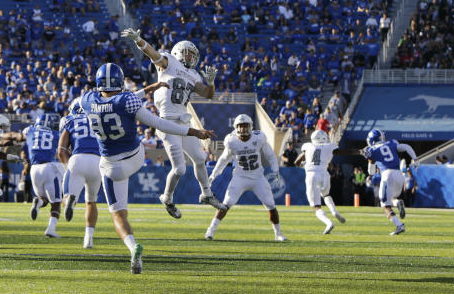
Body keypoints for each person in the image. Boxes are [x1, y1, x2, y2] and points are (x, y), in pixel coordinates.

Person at [76, 63, 215, 274]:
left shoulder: (87, 100)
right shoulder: (127, 100)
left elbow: (108, 103)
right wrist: (193, 132)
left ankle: (133, 248)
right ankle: (135, 248)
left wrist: (147, 90)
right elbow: (159, 123)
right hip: (135, 157)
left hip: (111, 166)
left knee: (118, 215)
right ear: (120, 81)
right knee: (141, 134)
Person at [120, 28, 225, 216]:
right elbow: (151, 53)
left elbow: (208, 94)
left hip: (184, 121)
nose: (191, 57)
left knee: (200, 159)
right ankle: (167, 198)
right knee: (180, 169)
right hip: (167, 121)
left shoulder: (193, 75)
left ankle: (206, 194)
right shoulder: (170, 62)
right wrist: (139, 39)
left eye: (194, 55)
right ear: (178, 51)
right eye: (188, 53)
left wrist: (211, 82)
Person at [206, 114, 286, 242]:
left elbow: (270, 155)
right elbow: (223, 160)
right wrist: (214, 175)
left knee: (271, 204)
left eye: (245, 126)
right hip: (240, 177)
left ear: (250, 126)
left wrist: (276, 169)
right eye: (241, 126)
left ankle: (279, 234)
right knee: (227, 203)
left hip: (258, 177)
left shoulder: (258, 138)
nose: (243, 129)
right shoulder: (232, 141)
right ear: (236, 127)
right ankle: (210, 230)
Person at [58, 103, 102, 249]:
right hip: (98, 161)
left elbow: (61, 150)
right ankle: (88, 239)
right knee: (91, 201)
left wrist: (67, 167)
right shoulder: (99, 119)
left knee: (68, 195)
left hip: (77, 159)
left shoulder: (70, 121)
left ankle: (70, 200)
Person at [363, 129, 417, 235]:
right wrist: (415, 159)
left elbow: (371, 171)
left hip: (387, 175)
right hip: (399, 174)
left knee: (384, 205)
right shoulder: (392, 142)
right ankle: (397, 202)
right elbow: (406, 147)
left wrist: (369, 158)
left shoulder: (372, 150)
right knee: (391, 199)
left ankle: (399, 226)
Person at [294, 129, 346, 234]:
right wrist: (359, 151)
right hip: (324, 173)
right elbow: (342, 152)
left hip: (312, 175)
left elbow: (296, 162)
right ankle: (334, 211)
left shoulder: (308, 146)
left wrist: (304, 164)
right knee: (326, 195)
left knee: (316, 206)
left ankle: (328, 223)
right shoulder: (329, 146)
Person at [23, 113, 65, 238]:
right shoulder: (55, 134)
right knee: (56, 202)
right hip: (49, 167)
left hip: (34, 168)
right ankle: (50, 229)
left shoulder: (30, 130)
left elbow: (22, 135)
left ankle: (38, 202)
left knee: (43, 199)